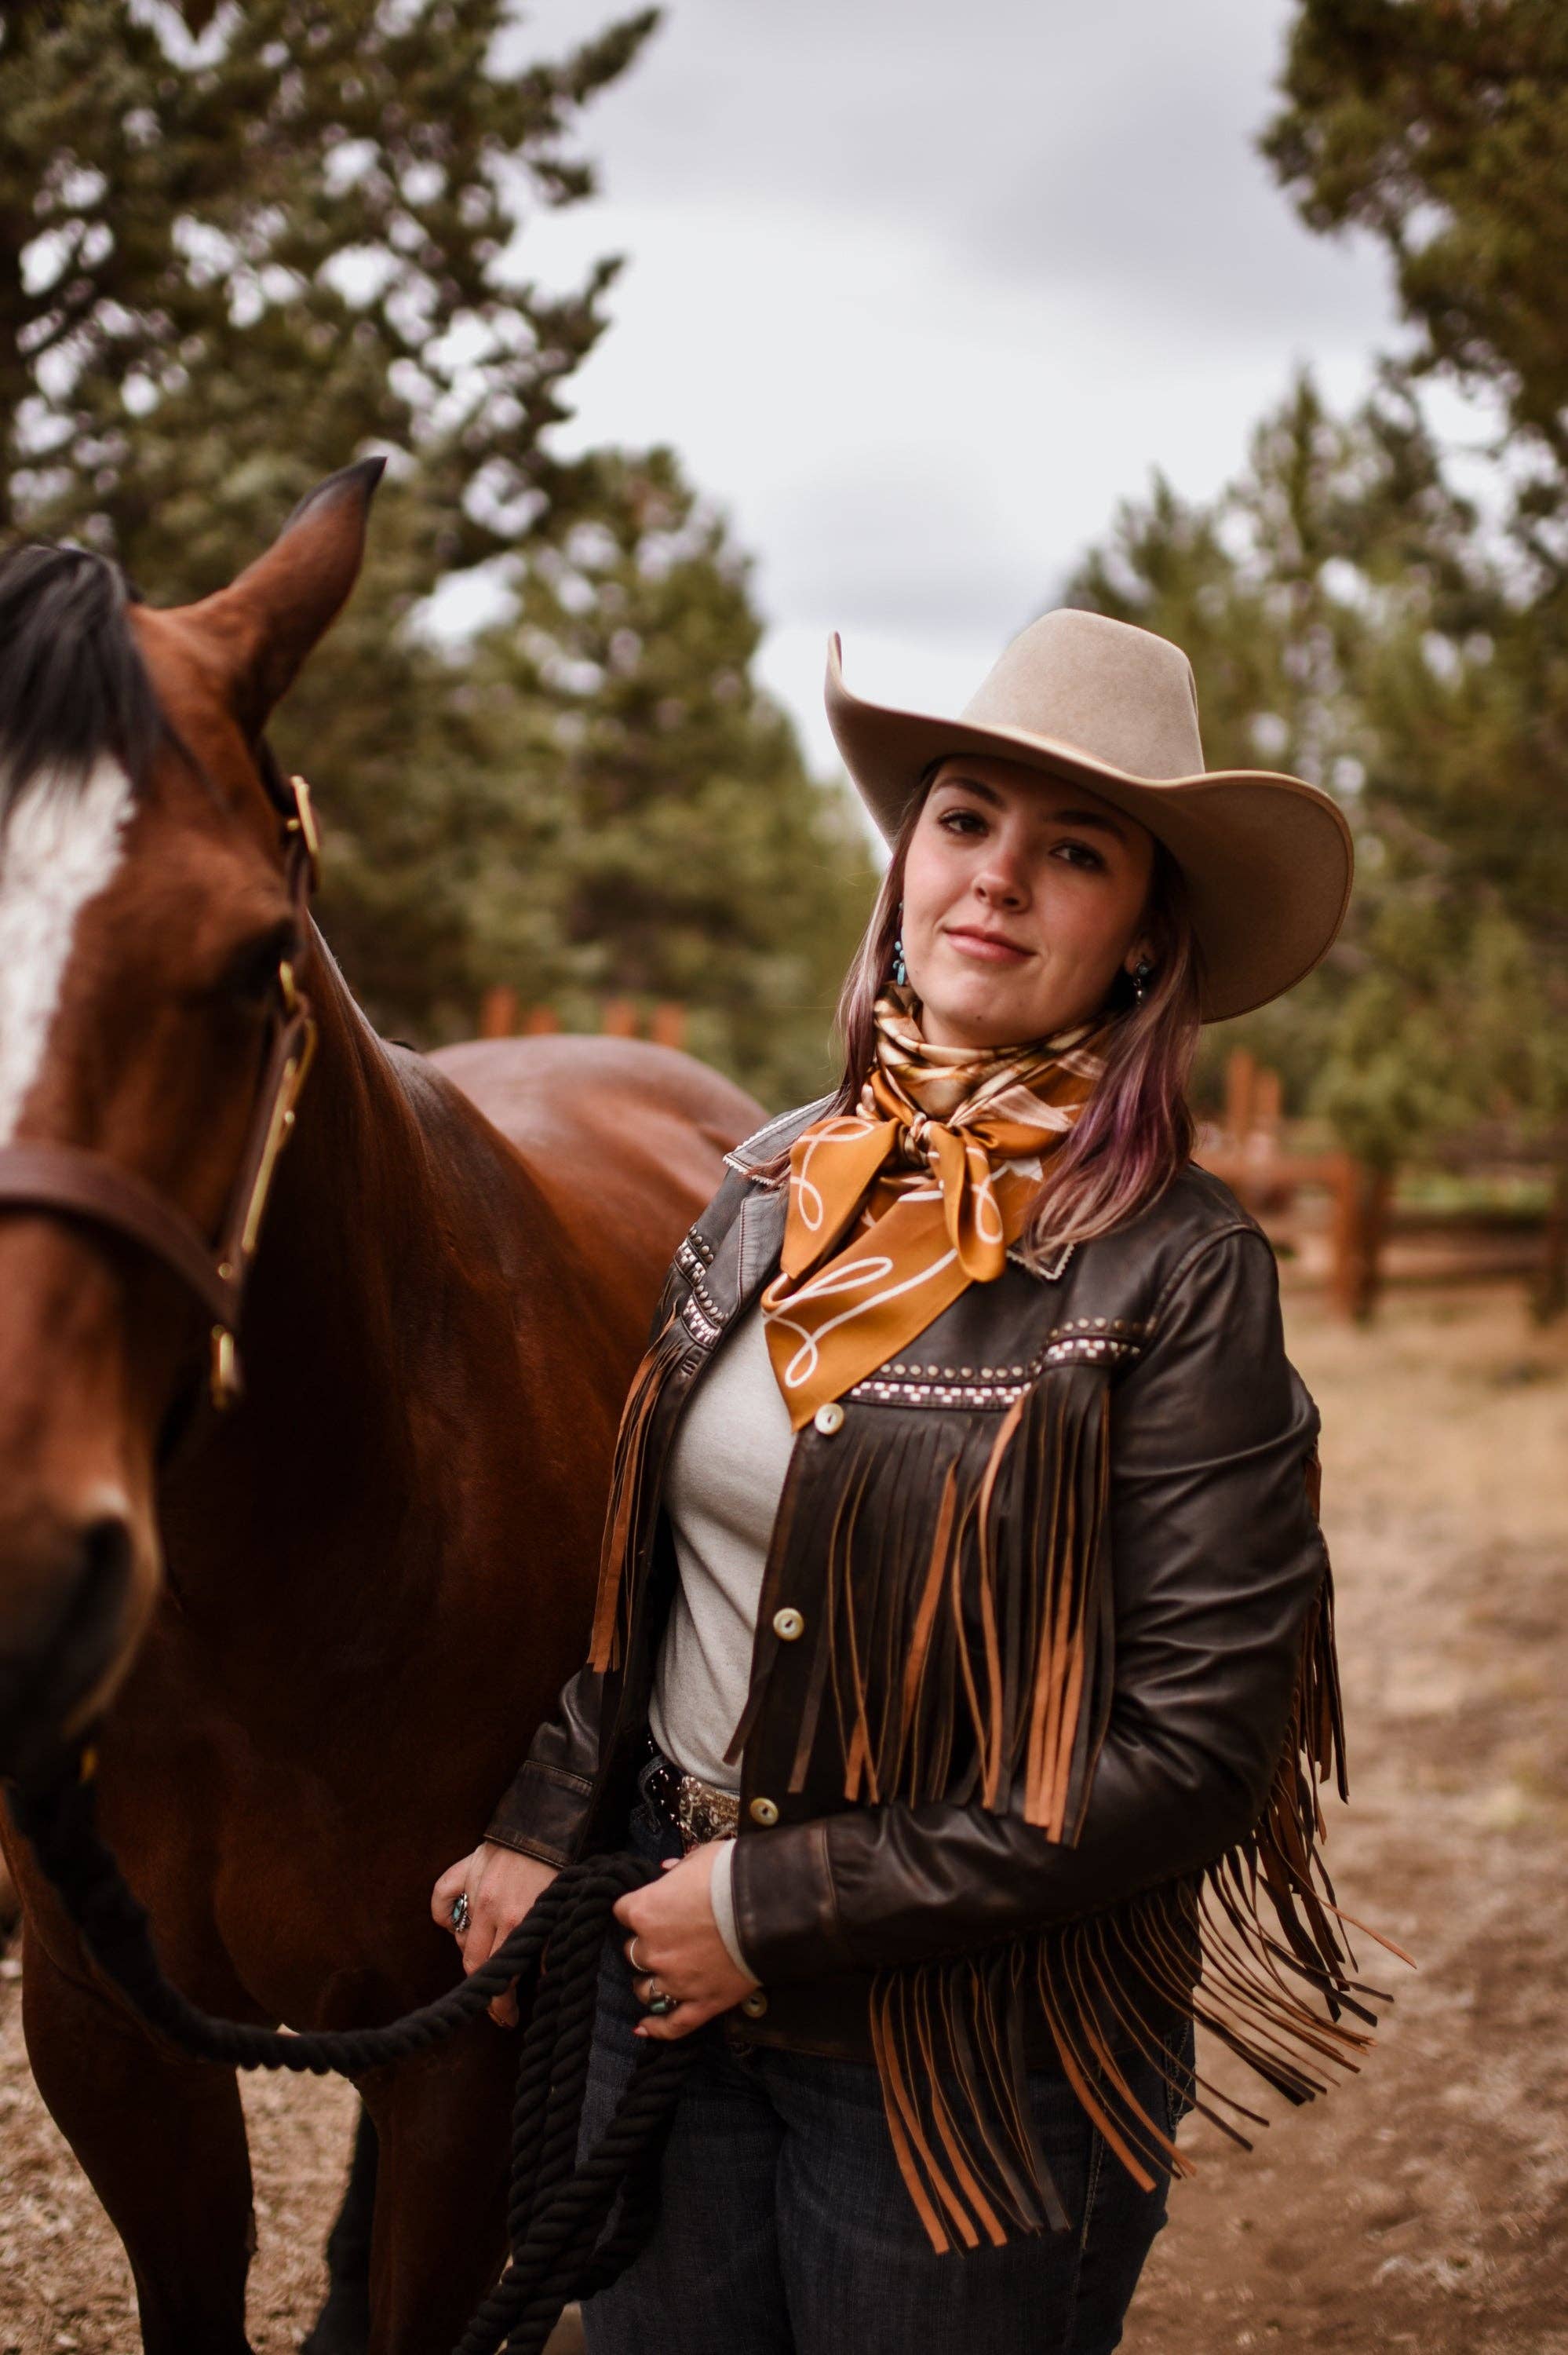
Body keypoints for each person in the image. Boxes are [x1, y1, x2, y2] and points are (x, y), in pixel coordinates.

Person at [432, 608, 1376, 2355]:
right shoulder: (770, 1181)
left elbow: (1193, 1750)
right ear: (904, 864)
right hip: (655, 1968)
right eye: (963, 821)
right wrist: (546, 1815)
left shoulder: (1181, 1275)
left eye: (1072, 851)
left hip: (964, 2067)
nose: (996, 880)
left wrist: (776, 1912)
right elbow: (654, 1572)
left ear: (1147, 936)